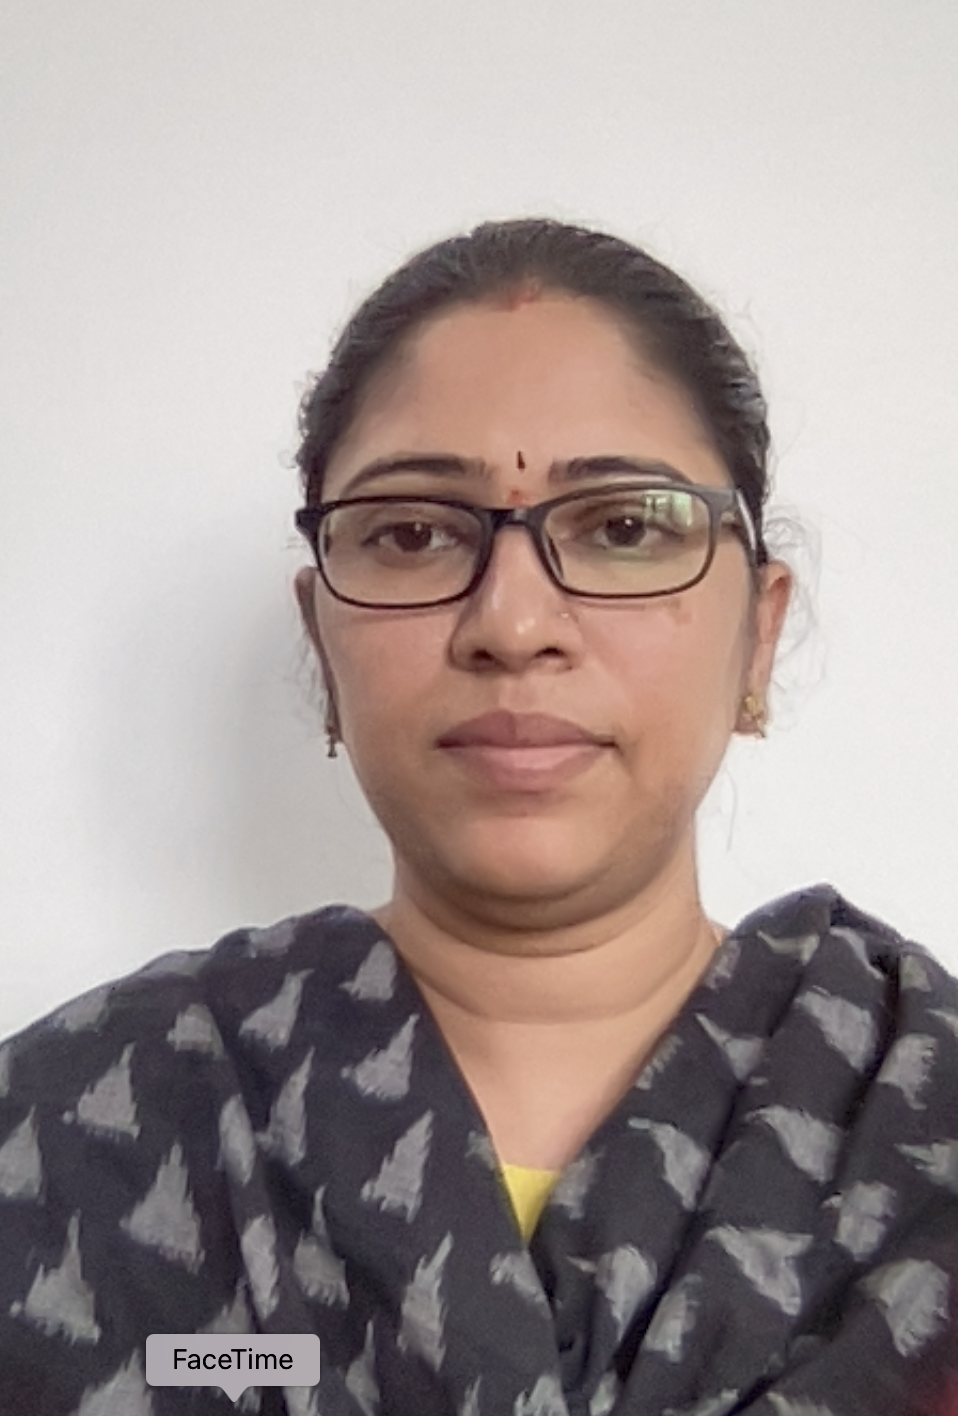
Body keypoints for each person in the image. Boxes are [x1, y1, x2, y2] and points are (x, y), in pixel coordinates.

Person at [1, 219, 956, 1416]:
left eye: (622, 527)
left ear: (757, 635)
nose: (512, 623)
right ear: (322, 641)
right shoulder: (69, 1137)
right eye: (411, 533)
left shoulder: (923, 1135)